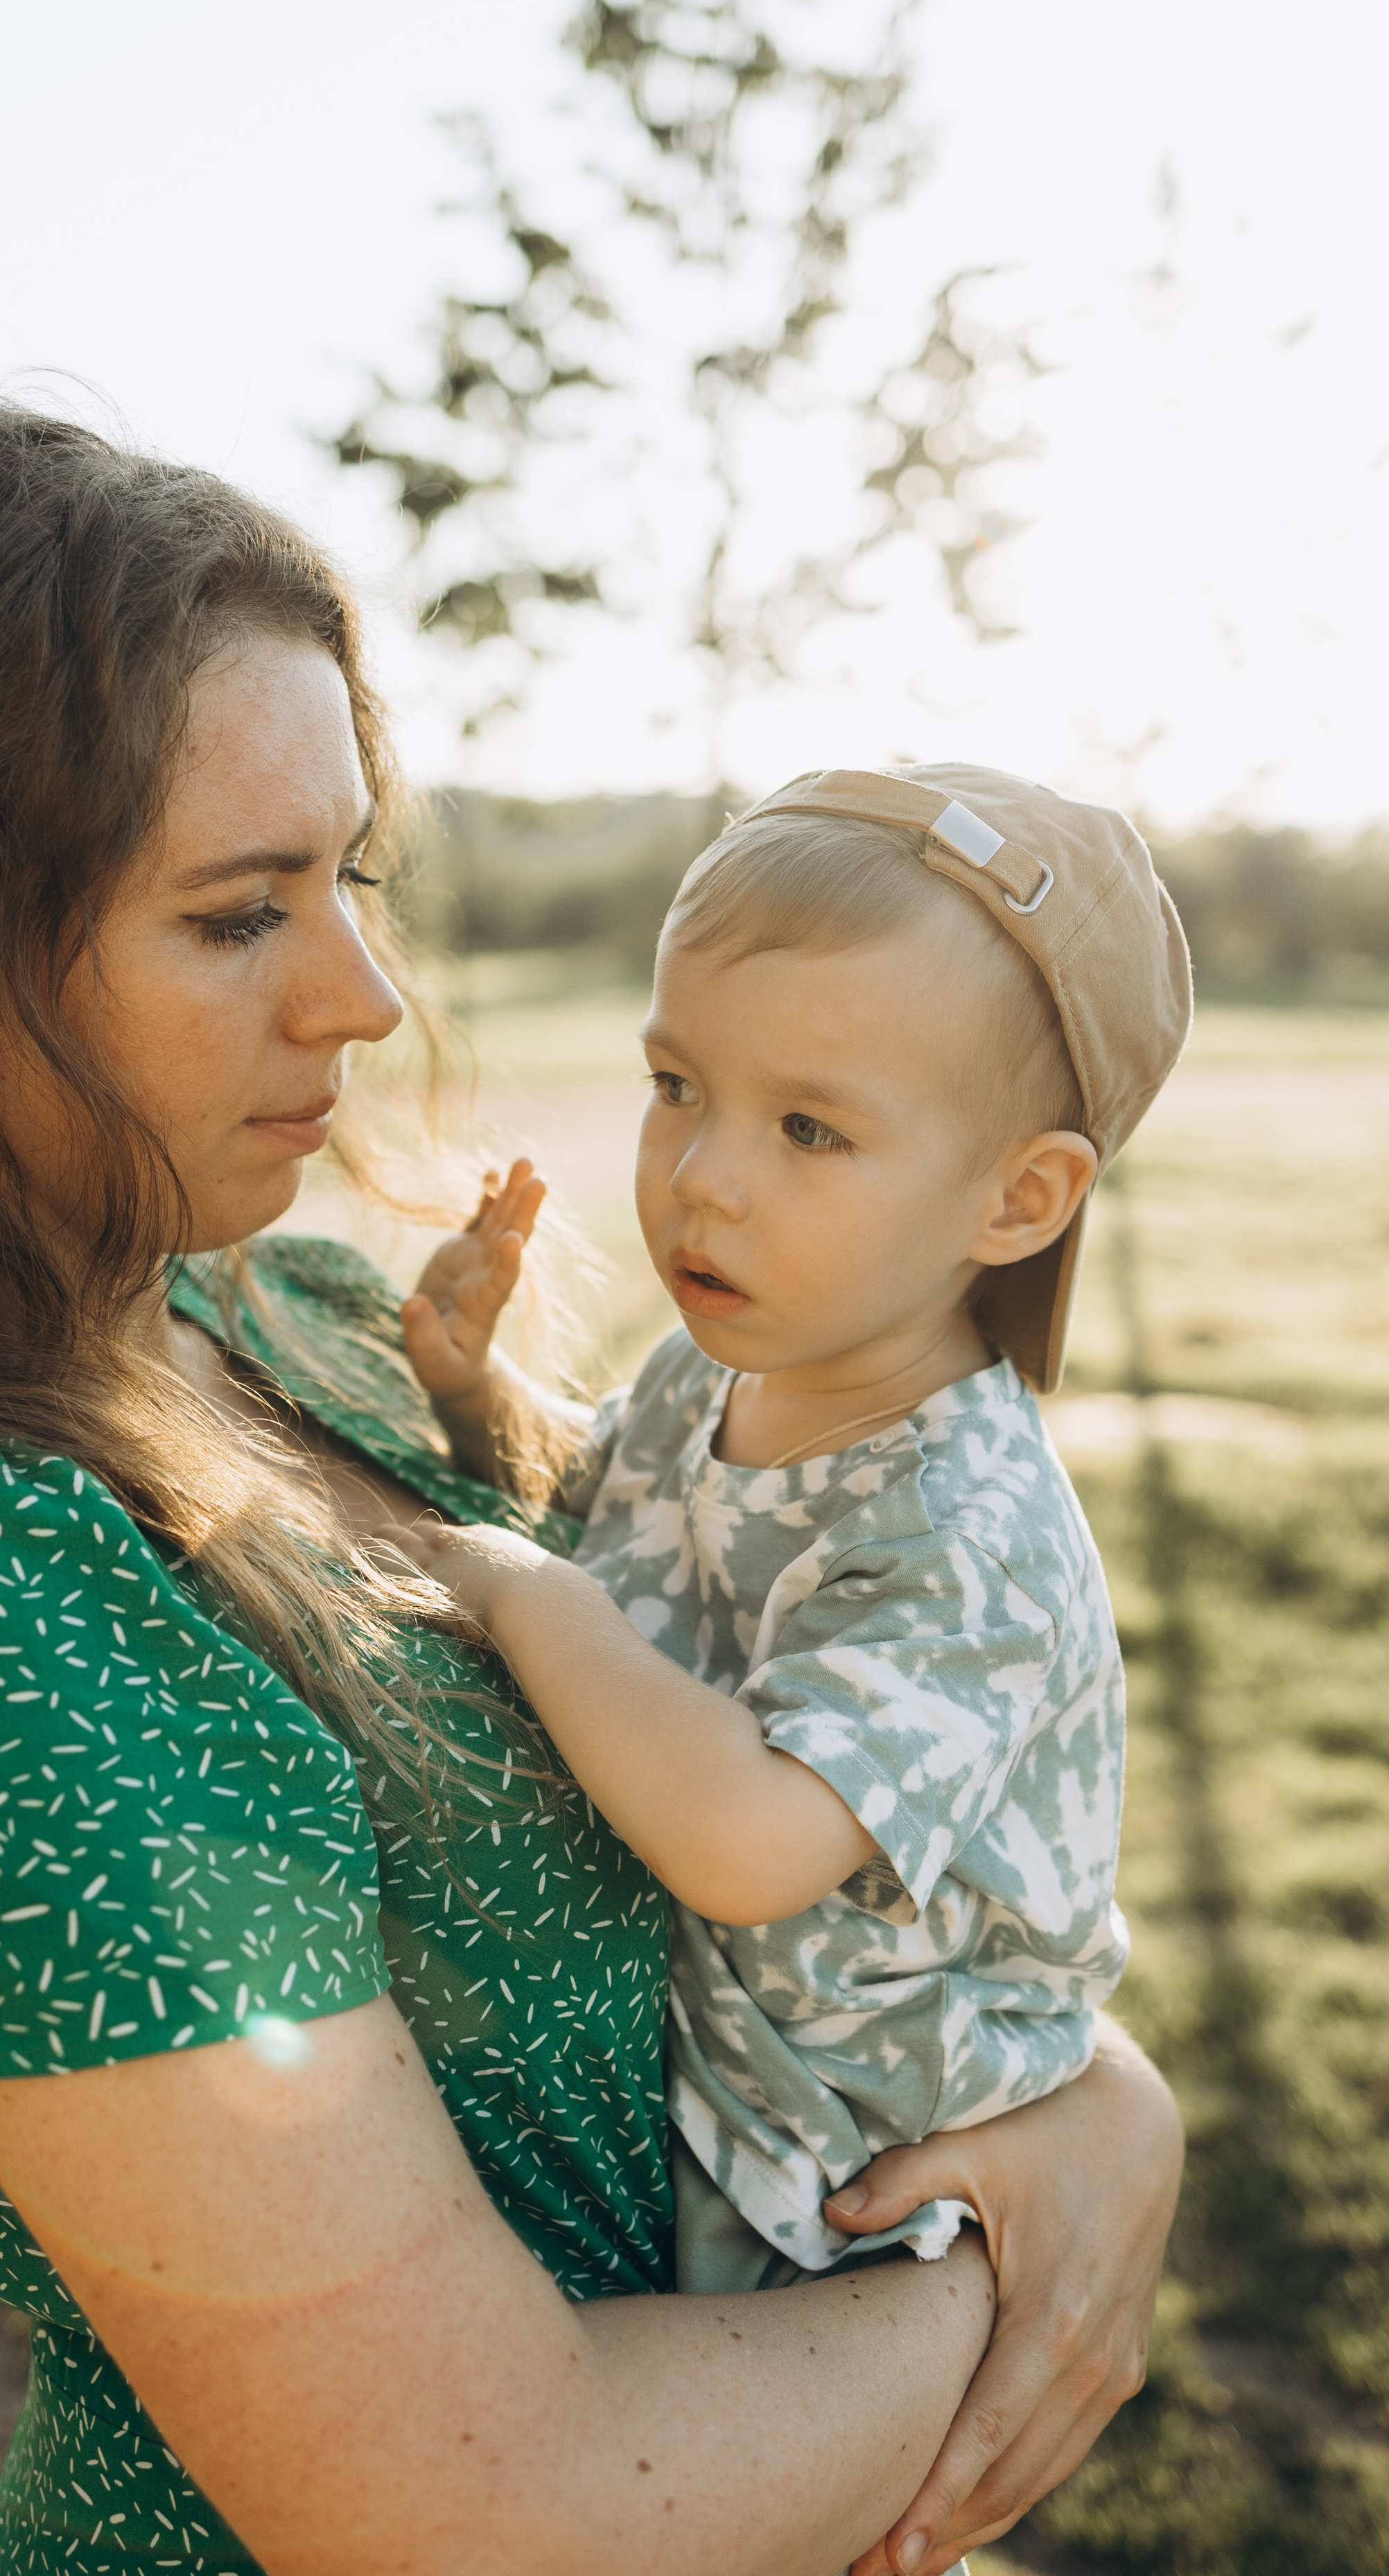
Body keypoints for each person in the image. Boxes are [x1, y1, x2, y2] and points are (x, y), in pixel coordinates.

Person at [0, 406, 1183, 2576]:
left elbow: (781, 1723)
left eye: (351, 874)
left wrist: (1102, 2092)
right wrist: (1031, 2245)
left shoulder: (300, 1318)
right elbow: (483, 2517)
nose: (365, 995)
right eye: (243, 914)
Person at [391, 767, 1190, 2297]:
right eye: (676, 1084)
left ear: (1015, 1198)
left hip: (846, 2184)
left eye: (808, 1129)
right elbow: (609, 1526)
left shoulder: (969, 1534)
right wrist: (476, 1399)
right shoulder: (717, 1368)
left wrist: (509, 1588)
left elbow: (747, 1840)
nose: (702, 1177)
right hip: (719, 2098)